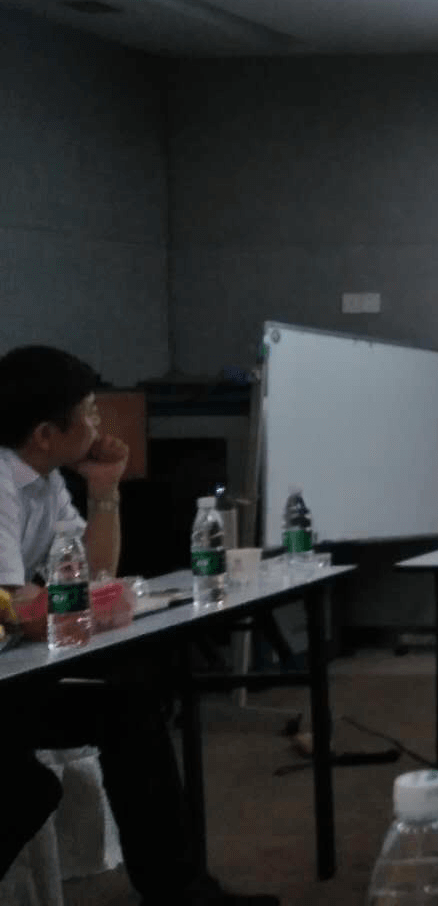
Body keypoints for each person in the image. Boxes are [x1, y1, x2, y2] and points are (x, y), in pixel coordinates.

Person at [0, 345, 277, 904]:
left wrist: (104, 487)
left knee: (130, 708)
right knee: (27, 788)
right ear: (46, 434)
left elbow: (94, 575)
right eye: (89, 413)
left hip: (13, 674)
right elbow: (16, 611)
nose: (99, 425)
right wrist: (74, 605)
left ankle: (180, 892)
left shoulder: (46, 481)